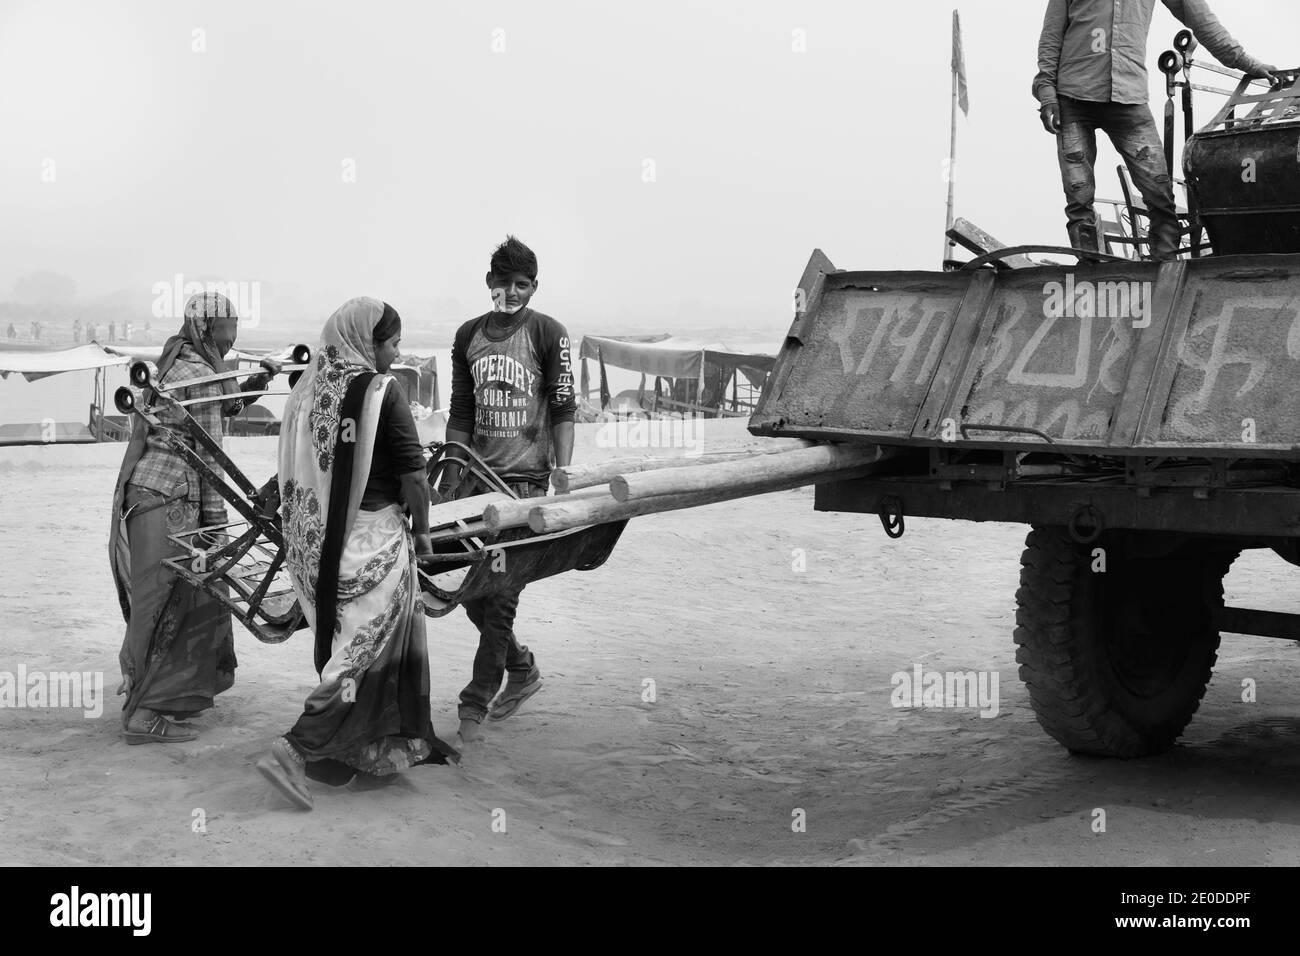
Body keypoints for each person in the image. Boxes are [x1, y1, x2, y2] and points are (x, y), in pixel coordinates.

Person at [257, 297, 457, 810]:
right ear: (366, 343)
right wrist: (426, 536)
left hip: (320, 548)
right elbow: (414, 477)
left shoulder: (306, 389)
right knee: (362, 653)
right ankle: (295, 748)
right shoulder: (381, 392)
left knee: (346, 646)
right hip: (376, 540)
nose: (395, 352)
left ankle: (362, 752)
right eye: (390, 342)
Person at [109, 292, 278, 743]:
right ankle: (145, 715)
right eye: (227, 329)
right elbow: (209, 451)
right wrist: (215, 526)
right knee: (170, 597)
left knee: (171, 596)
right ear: (206, 329)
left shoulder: (180, 359)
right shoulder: (198, 373)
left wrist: (260, 379)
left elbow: (222, 408)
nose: (233, 336)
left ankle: (154, 696)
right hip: (168, 499)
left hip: (150, 494)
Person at [443, 236, 576, 747]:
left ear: (534, 287)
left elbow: (564, 409)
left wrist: (563, 474)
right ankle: (521, 668)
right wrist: (452, 474)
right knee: (472, 594)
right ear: (489, 283)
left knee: (498, 598)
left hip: (522, 486)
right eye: (503, 283)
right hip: (473, 483)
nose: (511, 292)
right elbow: (460, 412)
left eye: (522, 285)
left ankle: (472, 709)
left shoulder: (548, 333)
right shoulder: (467, 336)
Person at [1034, 0, 1280, 259]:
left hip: (1129, 98)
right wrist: (1047, 92)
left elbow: (1202, 21)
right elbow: (1051, 35)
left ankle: (1165, 269)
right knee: (1078, 198)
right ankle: (1090, 270)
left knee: (1159, 195)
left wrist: (1247, 63)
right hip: (1072, 97)